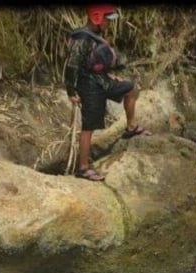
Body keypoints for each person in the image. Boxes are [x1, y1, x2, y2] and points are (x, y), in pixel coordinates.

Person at [64, 4, 151, 181]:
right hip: (88, 87)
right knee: (88, 126)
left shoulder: (96, 36)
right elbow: (73, 65)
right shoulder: (82, 38)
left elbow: (94, 61)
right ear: (96, 18)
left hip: (101, 81)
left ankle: (131, 127)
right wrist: (71, 91)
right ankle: (83, 168)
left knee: (130, 89)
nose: (108, 24)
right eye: (106, 20)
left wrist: (110, 75)